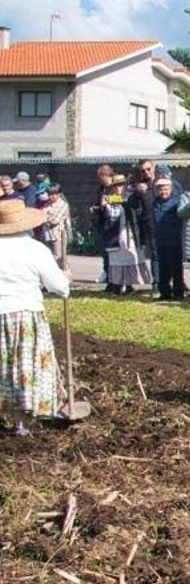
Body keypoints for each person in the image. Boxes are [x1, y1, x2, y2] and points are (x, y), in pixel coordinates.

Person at [0, 201, 70, 435]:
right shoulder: (35, 249)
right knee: (24, 365)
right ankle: (20, 423)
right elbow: (58, 287)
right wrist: (65, 278)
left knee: (3, 365)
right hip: (25, 311)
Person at [150, 176, 187, 301]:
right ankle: (164, 293)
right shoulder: (155, 203)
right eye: (160, 189)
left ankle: (178, 293)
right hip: (161, 239)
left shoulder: (176, 202)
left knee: (176, 268)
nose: (163, 192)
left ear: (170, 189)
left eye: (165, 189)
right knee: (163, 268)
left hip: (174, 239)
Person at [35, 184, 71, 270]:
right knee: (47, 259)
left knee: (58, 259)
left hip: (57, 235)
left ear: (59, 194)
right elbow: (39, 216)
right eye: (49, 194)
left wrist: (44, 217)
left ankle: (65, 273)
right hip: (45, 235)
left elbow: (55, 221)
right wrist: (46, 217)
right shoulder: (47, 204)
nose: (51, 197)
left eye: (53, 194)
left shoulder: (63, 205)